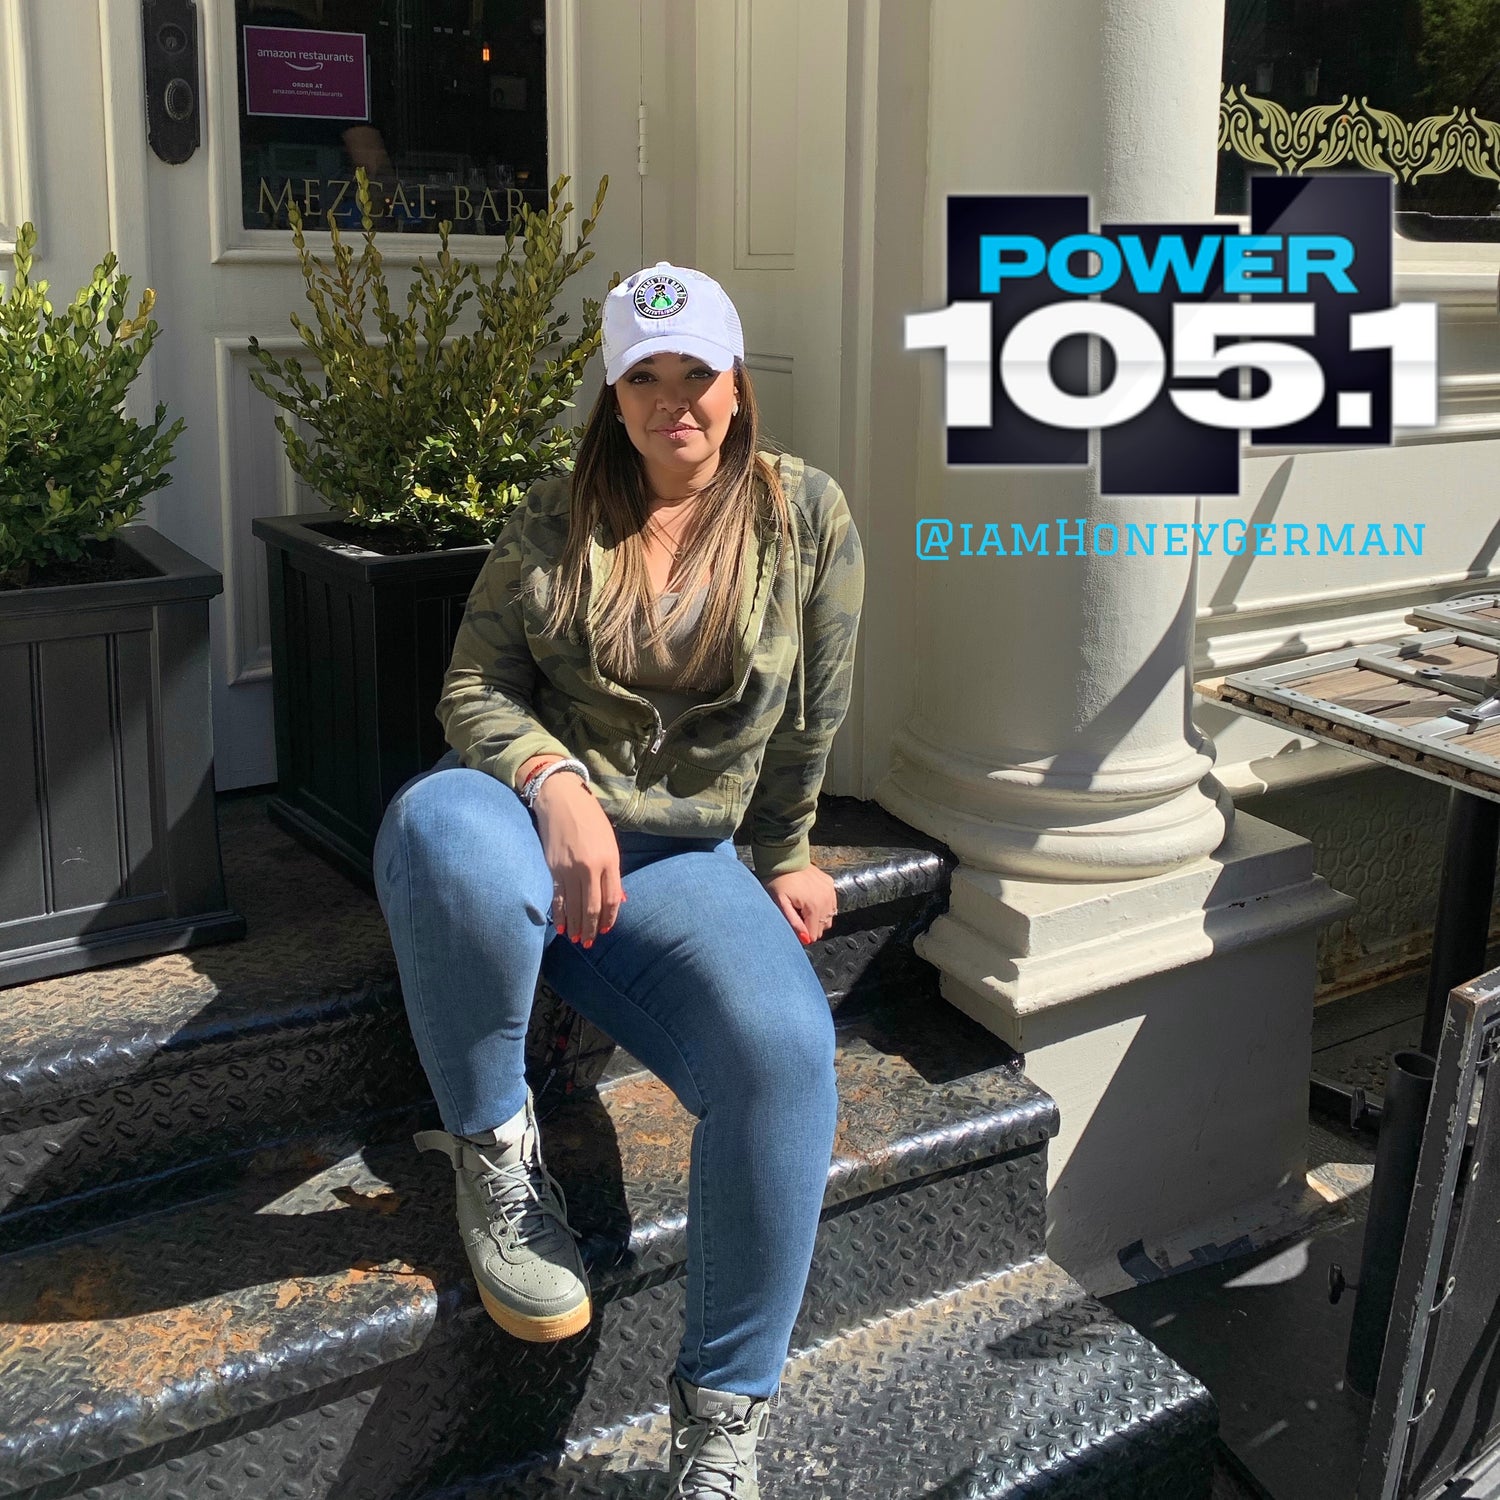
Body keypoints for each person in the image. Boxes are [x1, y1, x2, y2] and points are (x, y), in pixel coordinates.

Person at [373, 261, 865, 1497]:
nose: (672, 400)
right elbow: (472, 687)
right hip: (521, 824)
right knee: (437, 825)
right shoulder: (556, 515)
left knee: (785, 1057)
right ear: (614, 393)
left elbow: (813, 710)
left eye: (696, 372)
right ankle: (496, 1157)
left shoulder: (805, 516)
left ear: (737, 382)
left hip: (682, 860)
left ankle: (722, 1424)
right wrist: (553, 781)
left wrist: (787, 852)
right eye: (644, 377)